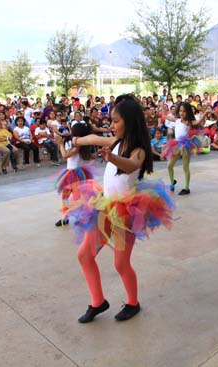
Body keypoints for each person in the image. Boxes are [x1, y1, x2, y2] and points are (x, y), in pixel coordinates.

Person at [66, 94, 174, 323]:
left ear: (130, 122)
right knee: (84, 254)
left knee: (120, 263)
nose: (111, 125)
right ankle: (98, 302)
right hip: (104, 208)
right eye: (111, 121)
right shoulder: (115, 142)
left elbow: (132, 164)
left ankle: (133, 303)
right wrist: (76, 141)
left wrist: (113, 159)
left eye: (116, 121)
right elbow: (94, 137)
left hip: (127, 213)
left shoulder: (139, 149)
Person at [54, 123, 95, 227]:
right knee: (69, 196)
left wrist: (61, 144)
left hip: (75, 173)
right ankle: (66, 217)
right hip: (75, 173)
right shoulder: (80, 143)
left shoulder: (77, 145)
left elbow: (65, 155)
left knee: (77, 197)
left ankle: (82, 217)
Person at [162, 102, 207, 195]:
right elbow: (165, 116)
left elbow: (198, 122)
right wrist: (163, 107)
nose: (182, 113)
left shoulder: (189, 122)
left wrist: (205, 113)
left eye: (184, 111)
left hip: (185, 145)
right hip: (176, 145)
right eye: (181, 111)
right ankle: (172, 183)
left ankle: (186, 188)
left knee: (185, 167)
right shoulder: (177, 120)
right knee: (169, 165)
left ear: (188, 112)